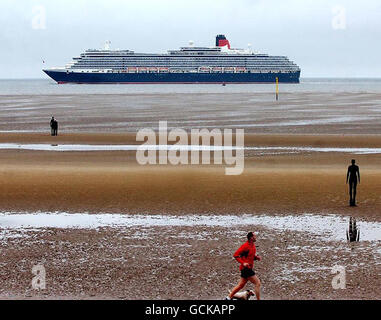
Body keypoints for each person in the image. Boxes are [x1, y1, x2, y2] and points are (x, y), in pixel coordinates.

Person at [225, 232, 261, 300]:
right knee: (257, 283)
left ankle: (228, 298)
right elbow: (235, 255)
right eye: (254, 236)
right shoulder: (245, 246)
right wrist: (243, 263)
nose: (256, 237)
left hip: (247, 268)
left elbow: (249, 256)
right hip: (246, 269)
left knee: (240, 285)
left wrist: (256, 257)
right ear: (251, 238)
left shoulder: (253, 245)